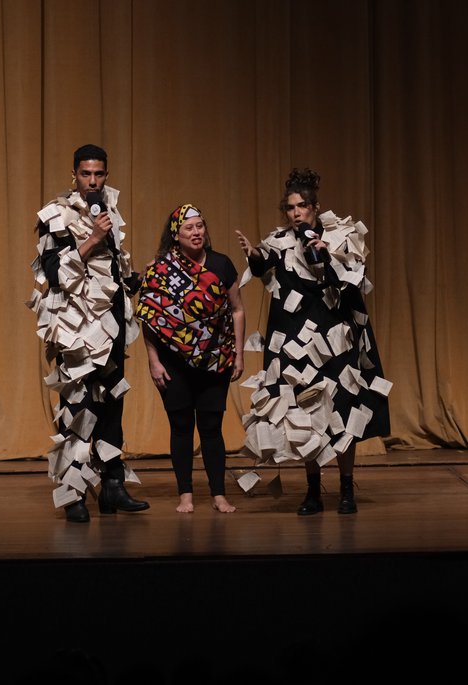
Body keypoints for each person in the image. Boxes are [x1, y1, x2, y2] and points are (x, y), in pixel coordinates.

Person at [235, 168, 392, 515]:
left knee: (343, 411)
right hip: (296, 343)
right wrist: (255, 256)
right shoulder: (278, 241)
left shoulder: (341, 236)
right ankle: (312, 491)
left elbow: (355, 279)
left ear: (315, 208)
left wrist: (328, 253)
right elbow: (265, 263)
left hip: (337, 339)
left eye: (302, 206)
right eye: (290, 207)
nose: (296, 213)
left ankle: (347, 488)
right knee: (306, 415)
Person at [27, 143, 149, 522]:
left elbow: (110, 271)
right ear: (74, 175)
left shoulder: (108, 211)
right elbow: (53, 274)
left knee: (112, 405)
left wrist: (135, 279)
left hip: (109, 326)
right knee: (78, 409)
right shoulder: (57, 216)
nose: (92, 181)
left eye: (99, 174)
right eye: (86, 174)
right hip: (76, 330)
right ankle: (73, 495)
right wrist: (93, 238)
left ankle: (112, 486)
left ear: (106, 176)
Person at [136, 204, 246, 513]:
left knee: (211, 428)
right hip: (173, 362)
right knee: (181, 427)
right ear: (176, 234)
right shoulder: (159, 269)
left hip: (216, 359)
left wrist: (237, 354)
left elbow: (237, 309)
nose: (196, 232)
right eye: (189, 228)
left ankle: (218, 494)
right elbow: (148, 318)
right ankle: (185, 494)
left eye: (200, 226)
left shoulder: (222, 264)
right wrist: (153, 361)